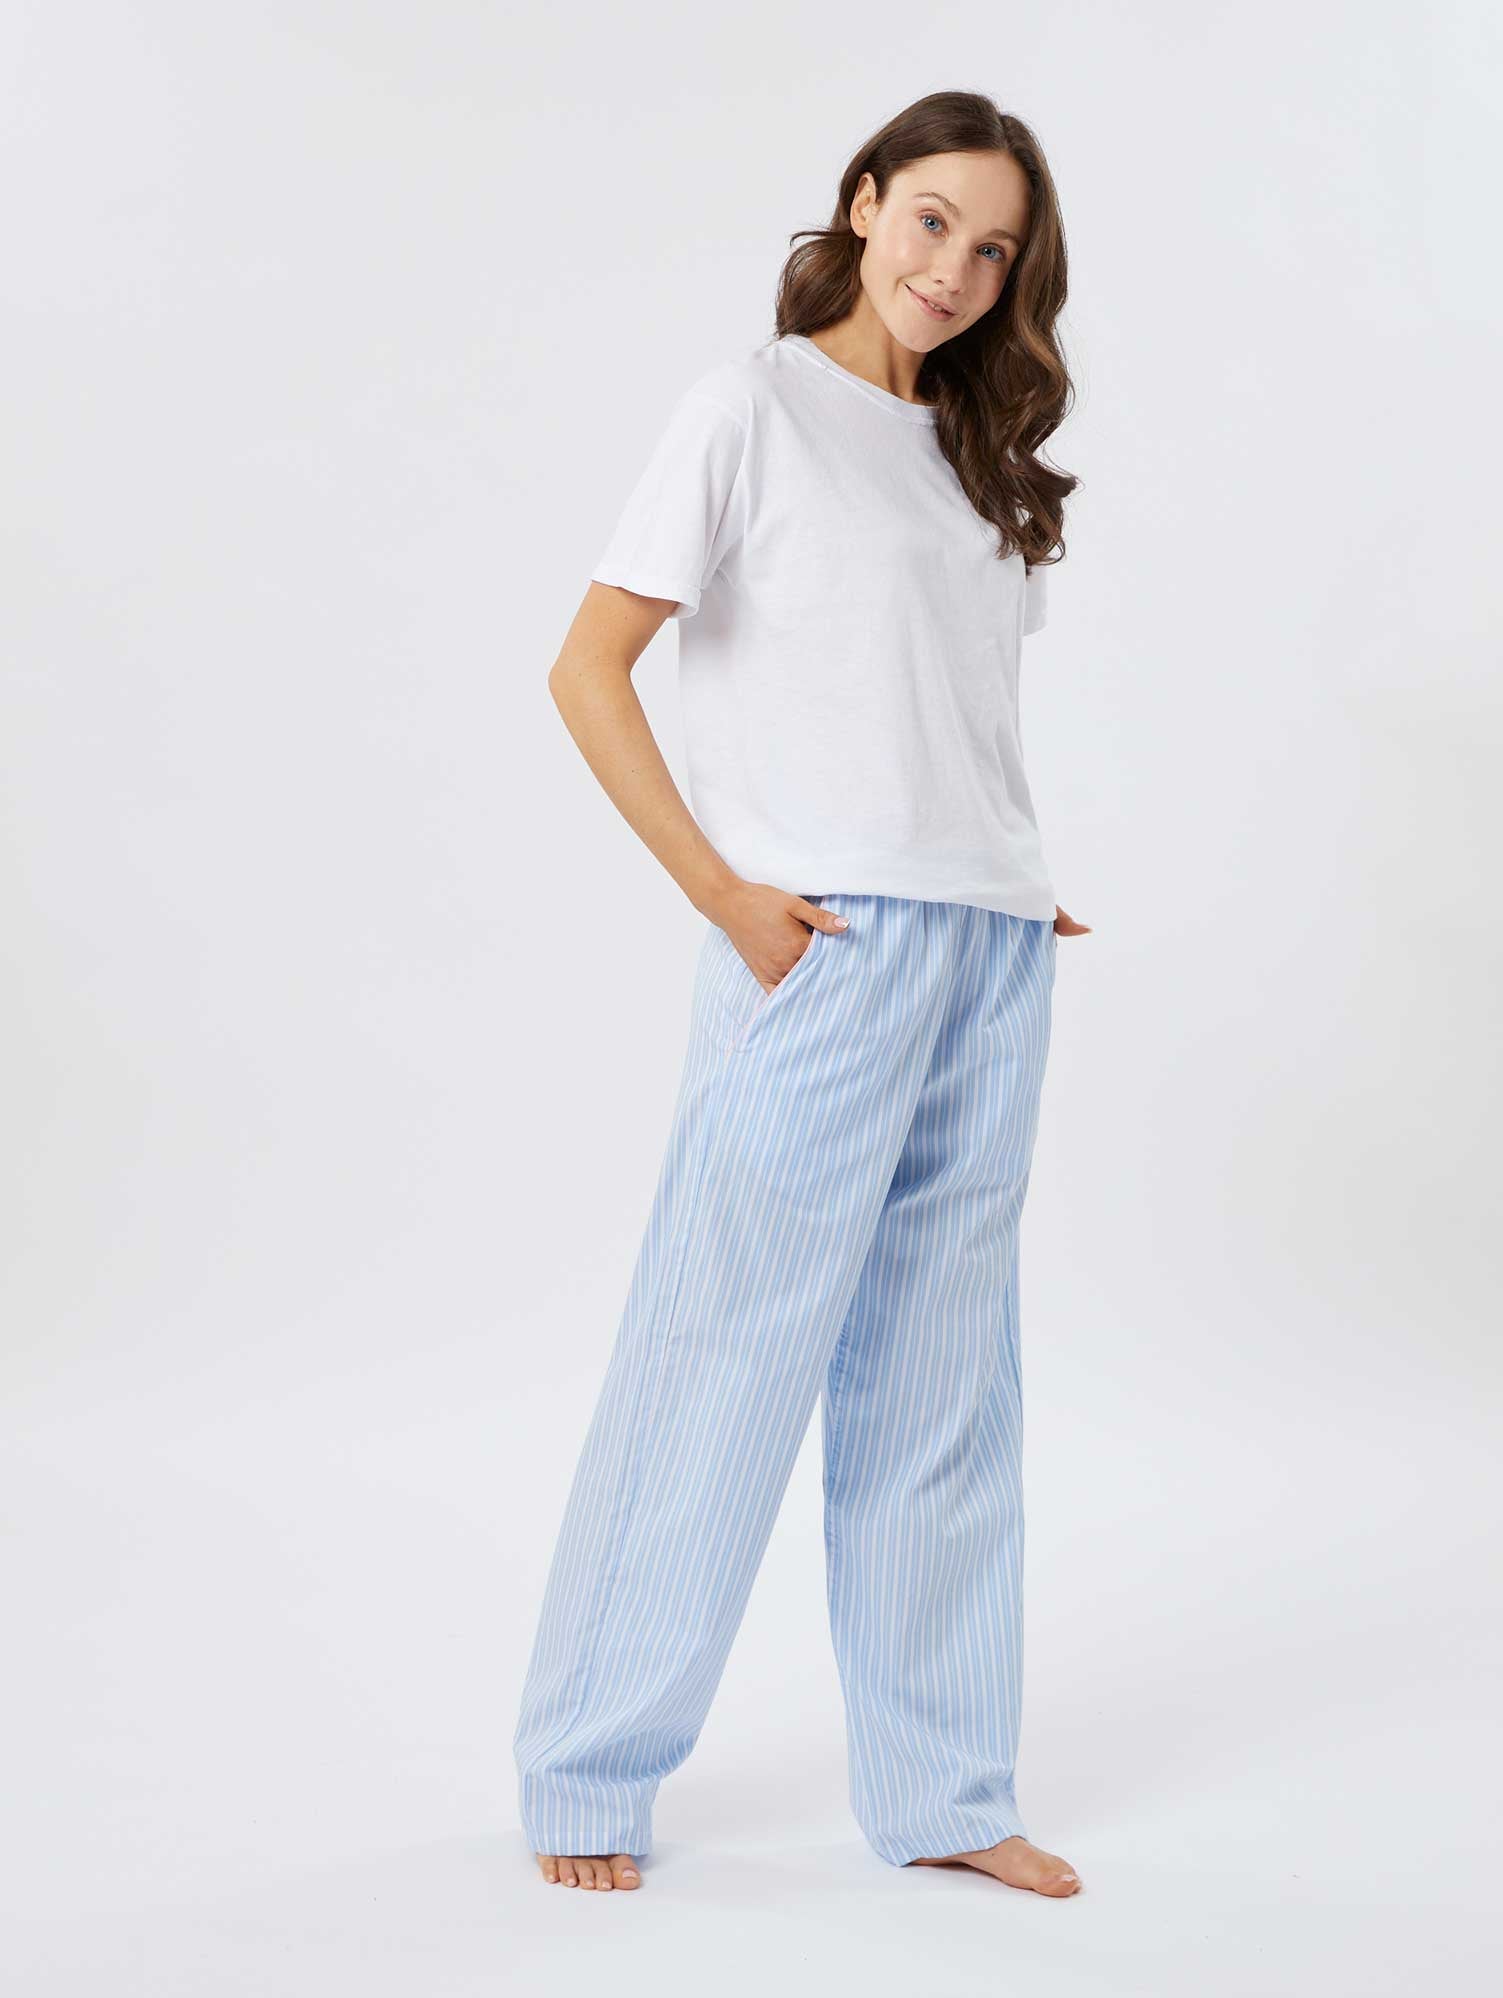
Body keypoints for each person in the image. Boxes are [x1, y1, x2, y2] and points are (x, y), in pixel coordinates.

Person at [512, 89, 1090, 1900]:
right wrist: (725, 895)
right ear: (861, 203)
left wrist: (1010, 878)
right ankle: (588, 1764)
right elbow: (588, 667)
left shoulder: (977, 457)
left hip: (988, 946)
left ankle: (944, 1786)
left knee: (946, 1381)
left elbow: (941, 707)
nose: (954, 269)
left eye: (992, 249)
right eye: (930, 221)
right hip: (820, 946)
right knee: (722, 1349)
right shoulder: (747, 410)